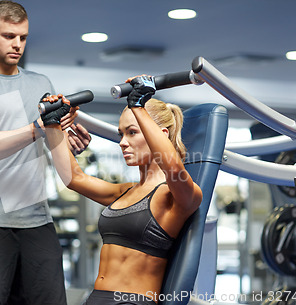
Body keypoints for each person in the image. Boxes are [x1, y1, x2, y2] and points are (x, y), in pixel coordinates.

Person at [0, 1, 91, 304]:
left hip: (38, 222)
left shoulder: (41, 84)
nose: (17, 44)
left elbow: (52, 141)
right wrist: (36, 128)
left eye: (23, 37)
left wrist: (67, 138)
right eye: (9, 36)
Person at [42, 75, 203, 305]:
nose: (122, 142)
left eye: (132, 132)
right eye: (121, 134)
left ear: (161, 135)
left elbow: (174, 167)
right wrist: (52, 124)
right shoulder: (124, 192)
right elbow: (73, 178)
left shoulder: (178, 196)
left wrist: (138, 106)